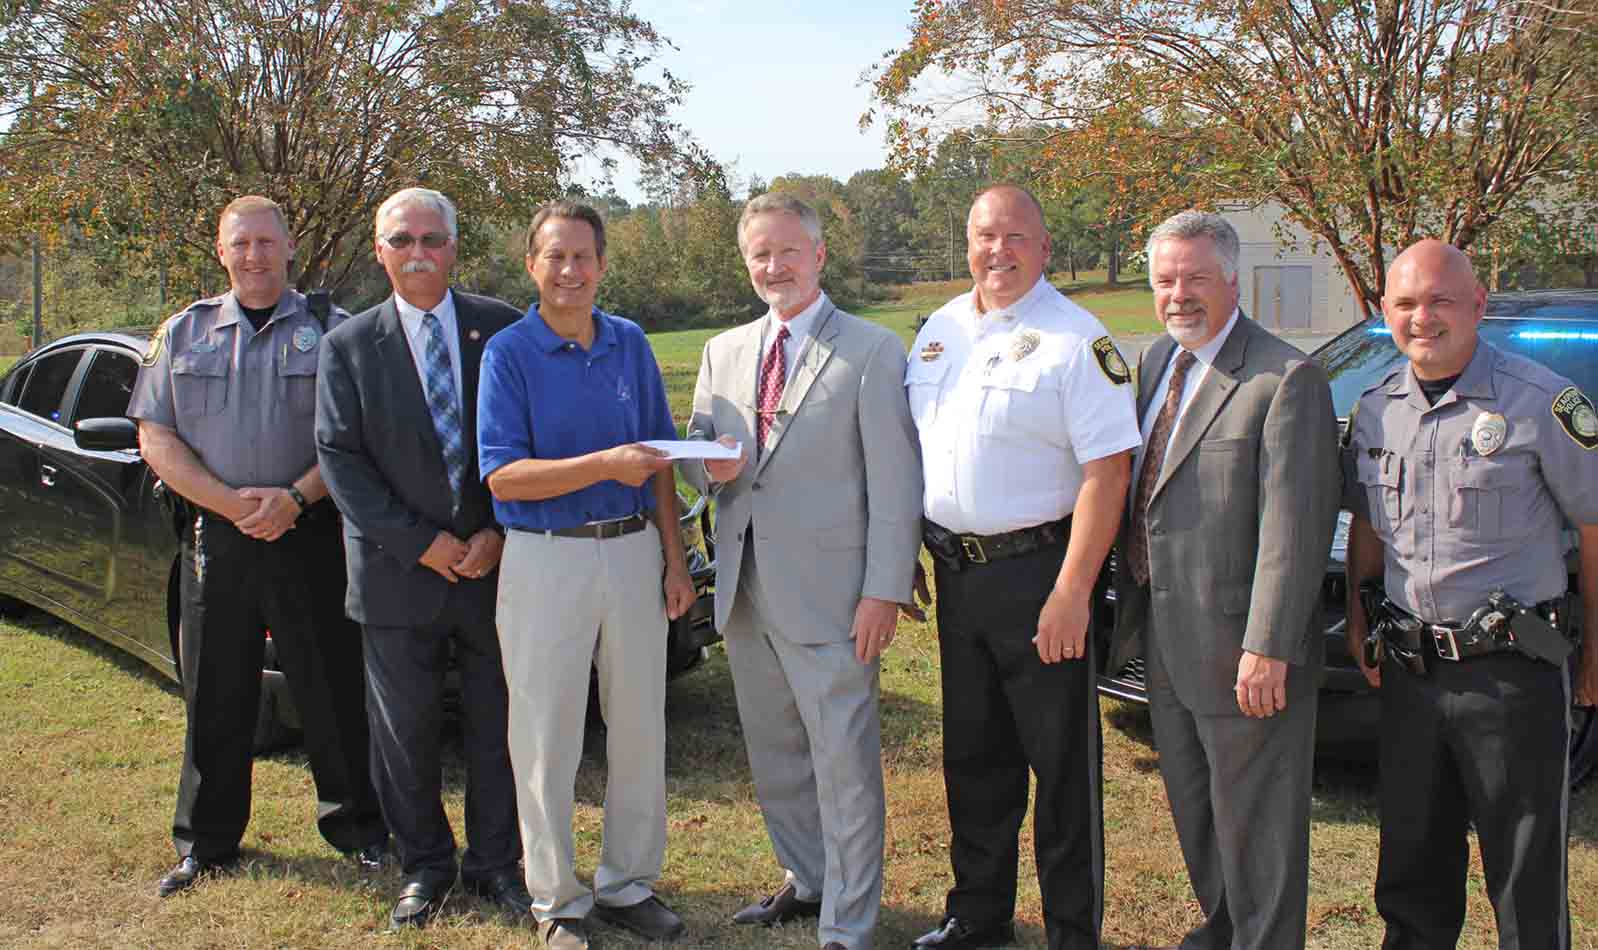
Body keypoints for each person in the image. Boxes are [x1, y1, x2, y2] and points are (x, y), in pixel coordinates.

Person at [680, 192, 923, 950]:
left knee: (843, 764)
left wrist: (884, 588)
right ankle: (807, 878)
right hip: (745, 592)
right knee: (777, 753)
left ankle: (849, 921)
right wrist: (705, 470)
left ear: (819, 256)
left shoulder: (873, 351)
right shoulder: (723, 351)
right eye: (761, 254)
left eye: (789, 251)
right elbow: (697, 455)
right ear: (746, 263)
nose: (774, 266)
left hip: (835, 598)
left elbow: (895, 484)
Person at [128, 195, 387, 897]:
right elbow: (156, 435)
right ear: (221, 251)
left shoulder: (334, 329)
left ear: (290, 246)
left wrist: (295, 498)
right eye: (240, 244)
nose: (254, 256)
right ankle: (206, 844)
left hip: (311, 532)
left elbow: (357, 436)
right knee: (214, 691)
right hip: (219, 537)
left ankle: (362, 832)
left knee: (333, 690)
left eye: (266, 243)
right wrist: (230, 505)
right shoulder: (183, 332)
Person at [1343, 239, 1598, 949]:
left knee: (1524, 871)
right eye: (1404, 303)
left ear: (1478, 305)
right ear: (1384, 311)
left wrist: (1595, 655)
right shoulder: (1376, 408)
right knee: (1412, 864)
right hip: (1412, 670)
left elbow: (1594, 527)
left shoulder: (1543, 401)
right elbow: (1368, 520)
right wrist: (1359, 613)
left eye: (1440, 300)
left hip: (1509, 673)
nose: (1421, 317)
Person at [904, 184, 1138, 950]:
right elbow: (923, 453)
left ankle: (1074, 932)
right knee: (974, 758)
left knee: (1062, 768)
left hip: (1042, 576)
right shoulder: (938, 333)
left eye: (1013, 236)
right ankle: (978, 916)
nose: (996, 250)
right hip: (957, 577)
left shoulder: (1077, 340)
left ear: (1043, 246)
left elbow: (1108, 472)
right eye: (982, 236)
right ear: (965, 244)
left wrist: (1073, 591)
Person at [1107, 210, 1339, 950]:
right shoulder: (1153, 365)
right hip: (1167, 642)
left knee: (1258, 826)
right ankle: (1224, 927)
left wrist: (1268, 644)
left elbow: (1295, 529)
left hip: (1244, 651)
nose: (1179, 294)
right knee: (1197, 811)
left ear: (1232, 279)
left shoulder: (1284, 377)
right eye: (1165, 280)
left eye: (1196, 278)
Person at [477, 200, 696, 950]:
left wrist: (673, 558)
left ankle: (628, 882)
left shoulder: (629, 342)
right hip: (546, 559)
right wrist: (604, 464)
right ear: (532, 265)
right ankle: (558, 901)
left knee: (639, 723)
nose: (570, 271)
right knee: (545, 736)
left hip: (634, 551)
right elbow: (503, 477)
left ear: (602, 265)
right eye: (555, 256)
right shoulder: (509, 353)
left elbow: (660, 462)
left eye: (583, 257)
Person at [315, 188, 529, 928]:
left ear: (454, 247)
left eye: (432, 239)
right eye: (401, 240)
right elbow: (339, 459)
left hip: (493, 567)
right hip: (396, 575)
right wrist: (422, 542)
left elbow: (527, 442)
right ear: (379, 251)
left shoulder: (502, 330)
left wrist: (498, 530)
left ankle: (497, 864)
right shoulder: (346, 345)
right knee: (402, 734)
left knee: (498, 725)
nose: (417, 253)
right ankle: (426, 866)